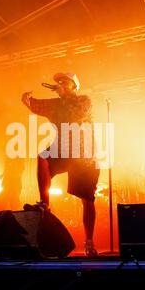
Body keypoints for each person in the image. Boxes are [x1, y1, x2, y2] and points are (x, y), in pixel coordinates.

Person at [21, 72, 100, 257]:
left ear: (74, 85)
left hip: (84, 154)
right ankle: (45, 205)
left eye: (64, 81)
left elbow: (73, 111)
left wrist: (50, 100)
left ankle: (89, 241)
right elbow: (37, 106)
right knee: (43, 156)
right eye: (58, 82)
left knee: (87, 199)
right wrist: (27, 100)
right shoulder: (56, 104)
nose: (59, 84)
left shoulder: (84, 100)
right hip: (64, 149)